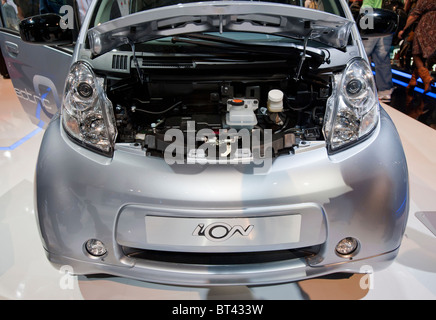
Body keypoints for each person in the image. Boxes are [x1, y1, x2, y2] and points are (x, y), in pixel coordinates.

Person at [399, 0, 435, 94]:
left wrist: (404, 29)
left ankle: (427, 78)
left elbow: (415, 14)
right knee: (427, 56)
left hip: (427, 25)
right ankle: (413, 81)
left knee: (416, 53)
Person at [361, 0, 394, 103]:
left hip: (371, 19)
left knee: (363, 55)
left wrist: (362, 23)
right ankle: (385, 90)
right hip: (388, 21)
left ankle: (361, 88)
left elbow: (366, 6)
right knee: (383, 57)